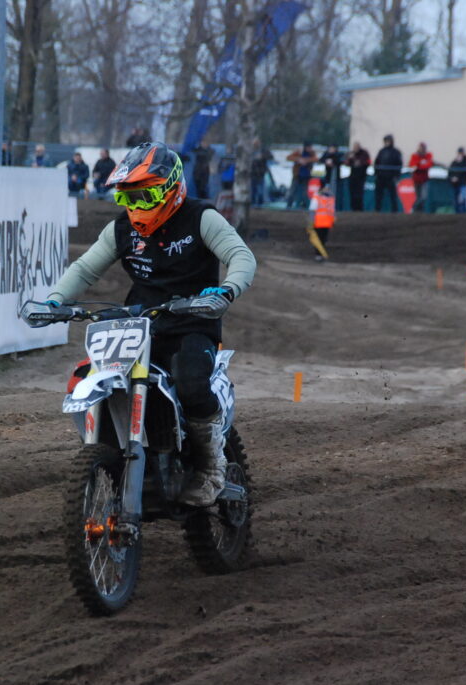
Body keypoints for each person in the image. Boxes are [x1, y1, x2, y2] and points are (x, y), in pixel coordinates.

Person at [41, 142, 256, 507]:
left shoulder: (201, 217)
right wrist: (55, 300)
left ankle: (211, 467)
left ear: (172, 188)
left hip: (193, 322)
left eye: (145, 196)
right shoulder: (122, 229)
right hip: (139, 326)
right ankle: (109, 454)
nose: (137, 206)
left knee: (191, 381)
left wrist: (226, 290)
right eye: (128, 198)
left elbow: (241, 256)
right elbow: (85, 268)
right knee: (89, 375)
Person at [373, 134, 402, 212]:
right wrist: (376, 173)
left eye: (388, 141)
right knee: (379, 195)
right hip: (381, 176)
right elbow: (377, 162)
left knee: (393, 195)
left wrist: (396, 176)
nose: (387, 142)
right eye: (386, 141)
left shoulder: (396, 152)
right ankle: (377, 210)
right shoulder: (381, 151)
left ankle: (395, 211)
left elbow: (399, 164)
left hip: (390, 177)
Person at [308, 183, 336, 262]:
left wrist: (311, 221)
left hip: (322, 222)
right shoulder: (329, 197)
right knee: (322, 239)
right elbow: (332, 211)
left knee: (321, 239)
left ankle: (319, 255)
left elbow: (312, 209)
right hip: (322, 223)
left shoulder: (319, 197)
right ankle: (319, 254)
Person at [286, 142, 317, 209]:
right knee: (292, 191)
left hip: (306, 176)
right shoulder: (299, 152)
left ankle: (304, 205)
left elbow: (316, 159)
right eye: (308, 147)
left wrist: (306, 160)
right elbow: (288, 157)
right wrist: (299, 159)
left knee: (305, 192)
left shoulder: (312, 153)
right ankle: (289, 205)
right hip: (297, 175)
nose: (309, 149)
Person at [344, 142, 371, 211]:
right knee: (352, 193)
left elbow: (368, 162)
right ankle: (353, 208)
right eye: (354, 147)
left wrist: (360, 163)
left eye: (357, 147)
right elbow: (346, 163)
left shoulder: (364, 153)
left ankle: (360, 208)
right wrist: (350, 159)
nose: (355, 148)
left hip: (361, 176)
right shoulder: (351, 153)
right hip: (353, 176)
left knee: (359, 193)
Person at [408, 141, 433, 212]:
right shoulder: (414, 155)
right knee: (418, 197)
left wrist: (418, 166)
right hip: (416, 180)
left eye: (423, 148)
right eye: (421, 148)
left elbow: (428, 165)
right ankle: (418, 212)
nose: (422, 149)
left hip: (424, 180)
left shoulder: (428, 155)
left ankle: (413, 209)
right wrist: (420, 163)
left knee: (423, 197)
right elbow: (412, 165)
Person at [448, 147, 466, 213]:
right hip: (455, 184)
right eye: (459, 153)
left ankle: (463, 212)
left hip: (463, 183)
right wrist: (452, 178)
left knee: (463, 198)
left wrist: (461, 162)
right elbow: (450, 172)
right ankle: (457, 212)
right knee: (455, 198)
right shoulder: (454, 162)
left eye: (461, 153)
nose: (460, 154)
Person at [250, 139, 272, 206]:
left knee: (260, 191)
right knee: (253, 190)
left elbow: (271, 157)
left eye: (257, 142)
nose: (256, 144)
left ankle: (260, 205)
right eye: (255, 142)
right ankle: (253, 204)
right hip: (252, 174)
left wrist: (262, 156)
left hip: (261, 174)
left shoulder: (263, 150)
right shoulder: (249, 150)